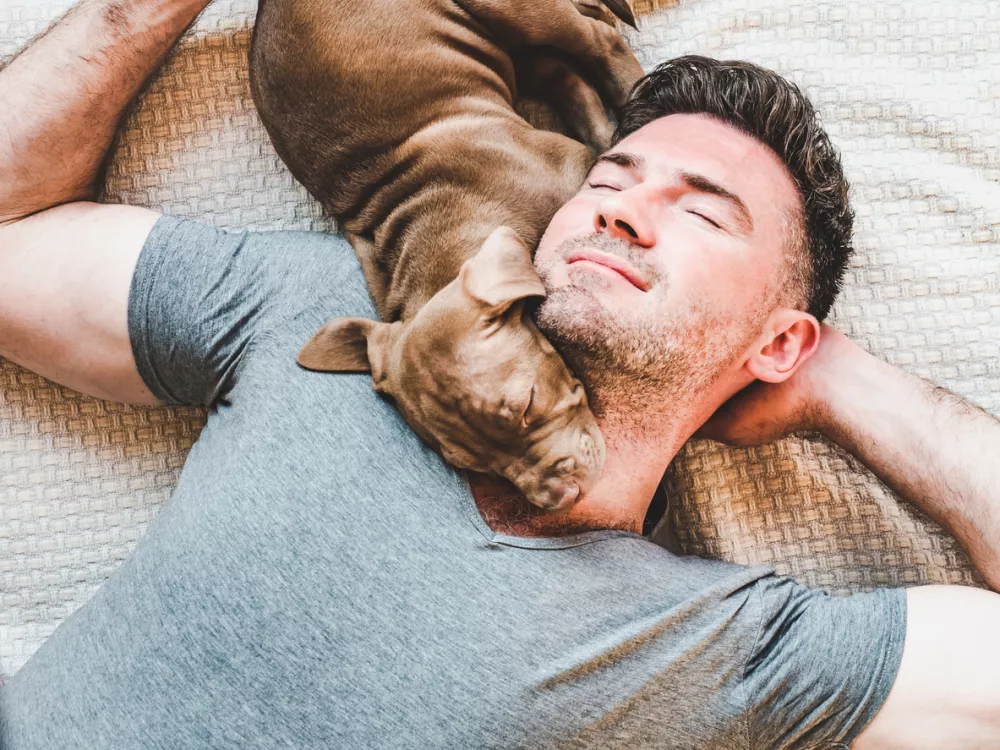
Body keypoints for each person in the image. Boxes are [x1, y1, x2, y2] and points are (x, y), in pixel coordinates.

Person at [0, 0, 998, 748]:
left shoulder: (724, 647)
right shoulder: (339, 314)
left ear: (773, 341)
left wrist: (842, 387)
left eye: (700, 213)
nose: (621, 209)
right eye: (607, 180)